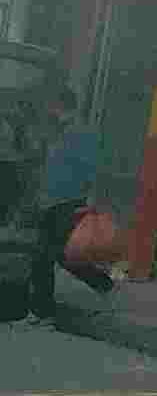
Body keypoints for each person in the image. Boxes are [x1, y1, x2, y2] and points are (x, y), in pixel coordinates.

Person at [32, 93, 112, 329]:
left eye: (52, 107)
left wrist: (90, 198)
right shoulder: (59, 132)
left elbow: (90, 167)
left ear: (60, 106)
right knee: (54, 255)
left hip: (68, 202)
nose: (50, 112)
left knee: (46, 256)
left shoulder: (80, 133)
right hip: (52, 202)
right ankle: (102, 284)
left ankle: (44, 313)